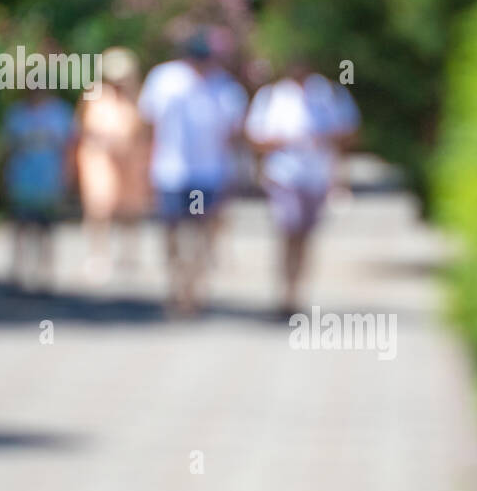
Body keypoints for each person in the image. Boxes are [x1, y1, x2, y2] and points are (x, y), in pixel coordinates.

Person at [138, 30, 247, 315]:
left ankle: (194, 289)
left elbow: (233, 133)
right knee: (172, 232)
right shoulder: (164, 79)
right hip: (170, 172)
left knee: (200, 232)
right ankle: (176, 284)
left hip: (207, 175)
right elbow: (148, 124)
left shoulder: (224, 87)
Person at [244, 60, 360, 316]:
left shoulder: (329, 93)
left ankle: (296, 292)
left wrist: (325, 138)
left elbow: (350, 132)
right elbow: (255, 137)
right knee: (288, 231)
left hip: (317, 176)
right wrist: (283, 141)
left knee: (305, 237)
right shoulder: (273, 95)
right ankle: (284, 291)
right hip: (284, 175)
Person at [77, 48, 149, 282]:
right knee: (99, 209)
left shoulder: (136, 99)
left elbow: (145, 133)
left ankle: (129, 255)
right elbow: (82, 130)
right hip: (100, 163)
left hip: (130, 164)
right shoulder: (95, 97)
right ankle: (98, 255)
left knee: (130, 212)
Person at [2, 87, 77, 291]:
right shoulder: (17, 114)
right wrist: (4, 179)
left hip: (49, 181)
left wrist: (68, 178)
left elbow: (69, 148)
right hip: (22, 180)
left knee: (47, 230)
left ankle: (45, 274)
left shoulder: (60, 113)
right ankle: (18, 272)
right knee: (21, 227)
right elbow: (7, 149)